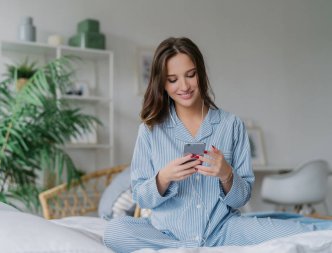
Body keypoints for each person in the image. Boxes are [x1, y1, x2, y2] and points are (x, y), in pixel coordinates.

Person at [103, 37, 331, 252]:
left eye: (190, 75)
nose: (184, 86)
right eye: (172, 79)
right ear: (162, 84)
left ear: (201, 74)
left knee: (306, 232)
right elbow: (141, 198)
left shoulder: (231, 125)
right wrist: (163, 178)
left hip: (225, 230)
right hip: (167, 233)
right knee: (115, 231)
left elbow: (242, 198)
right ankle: (188, 249)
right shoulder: (150, 130)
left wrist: (226, 175)